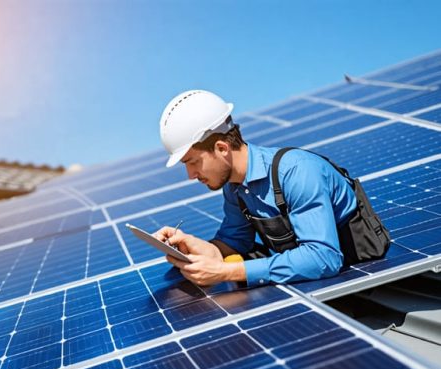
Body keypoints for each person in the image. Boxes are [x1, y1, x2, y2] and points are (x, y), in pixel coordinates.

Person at [154, 89, 364, 287]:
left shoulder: (297, 172)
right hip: (316, 282)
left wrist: (227, 272)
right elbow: (234, 242)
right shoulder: (234, 188)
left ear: (221, 148)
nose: (190, 175)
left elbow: (323, 258)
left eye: (192, 162)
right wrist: (193, 246)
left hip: (358, 277)